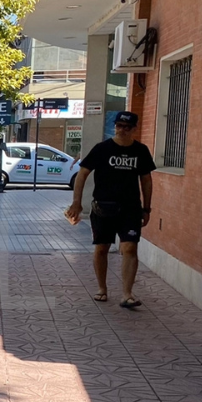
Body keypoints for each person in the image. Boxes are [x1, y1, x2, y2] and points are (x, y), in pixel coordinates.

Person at [66, 111, 155, 309]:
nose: (122, 130)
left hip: (130, 208)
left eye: (127, 127)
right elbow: (82, 174)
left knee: (130, 247)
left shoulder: (140, 151)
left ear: (134, 129)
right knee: (102, 248)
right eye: (119, 126)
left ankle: (127, 294)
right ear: (115, 126)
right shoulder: (102, 149)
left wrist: (147, 208)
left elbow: (146, 180)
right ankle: (102, 288)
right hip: (103, 207)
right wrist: (76, 202)